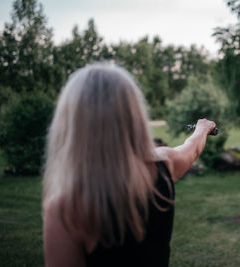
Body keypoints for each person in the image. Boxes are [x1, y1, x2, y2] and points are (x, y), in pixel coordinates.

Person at [42, 63, 216, 267]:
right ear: (134, 116)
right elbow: (192, 148)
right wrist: (202, 129)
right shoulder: (163, 165)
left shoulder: (66, 209)